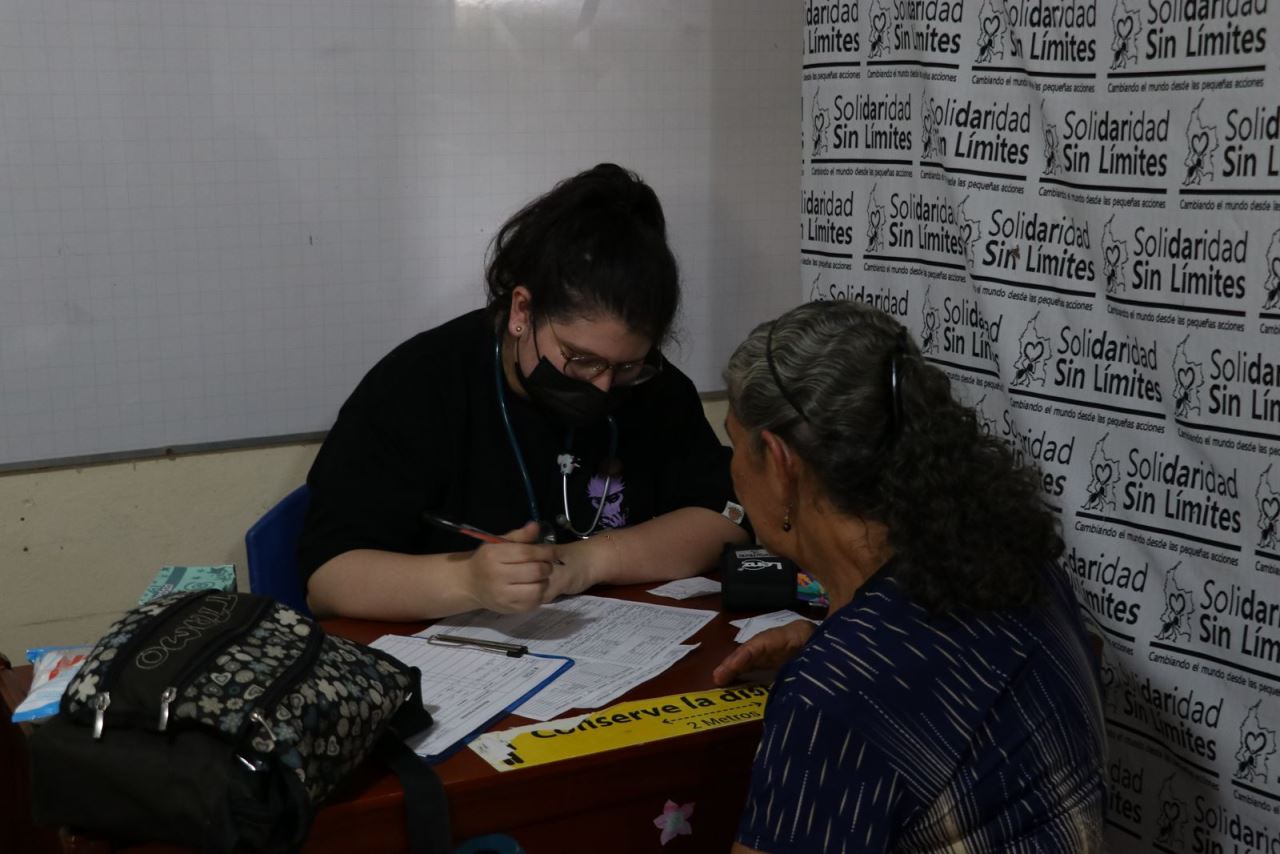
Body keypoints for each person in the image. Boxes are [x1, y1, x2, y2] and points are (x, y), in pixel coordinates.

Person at [715, 301, 1106, 853]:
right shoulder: (1025, 568)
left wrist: (834, 667)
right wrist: (831, 643)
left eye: (735, 445)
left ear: (780, 464)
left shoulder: (833, 696)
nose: (732, 469)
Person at [298, 164, 749, 621]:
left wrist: (585, 562)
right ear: (522, 311)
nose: (603, 385)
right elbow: (329, 578)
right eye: (581, 358)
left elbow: (726, 519)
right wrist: (469, 582)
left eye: (626, 366)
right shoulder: (418, 385)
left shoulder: (653, 386)